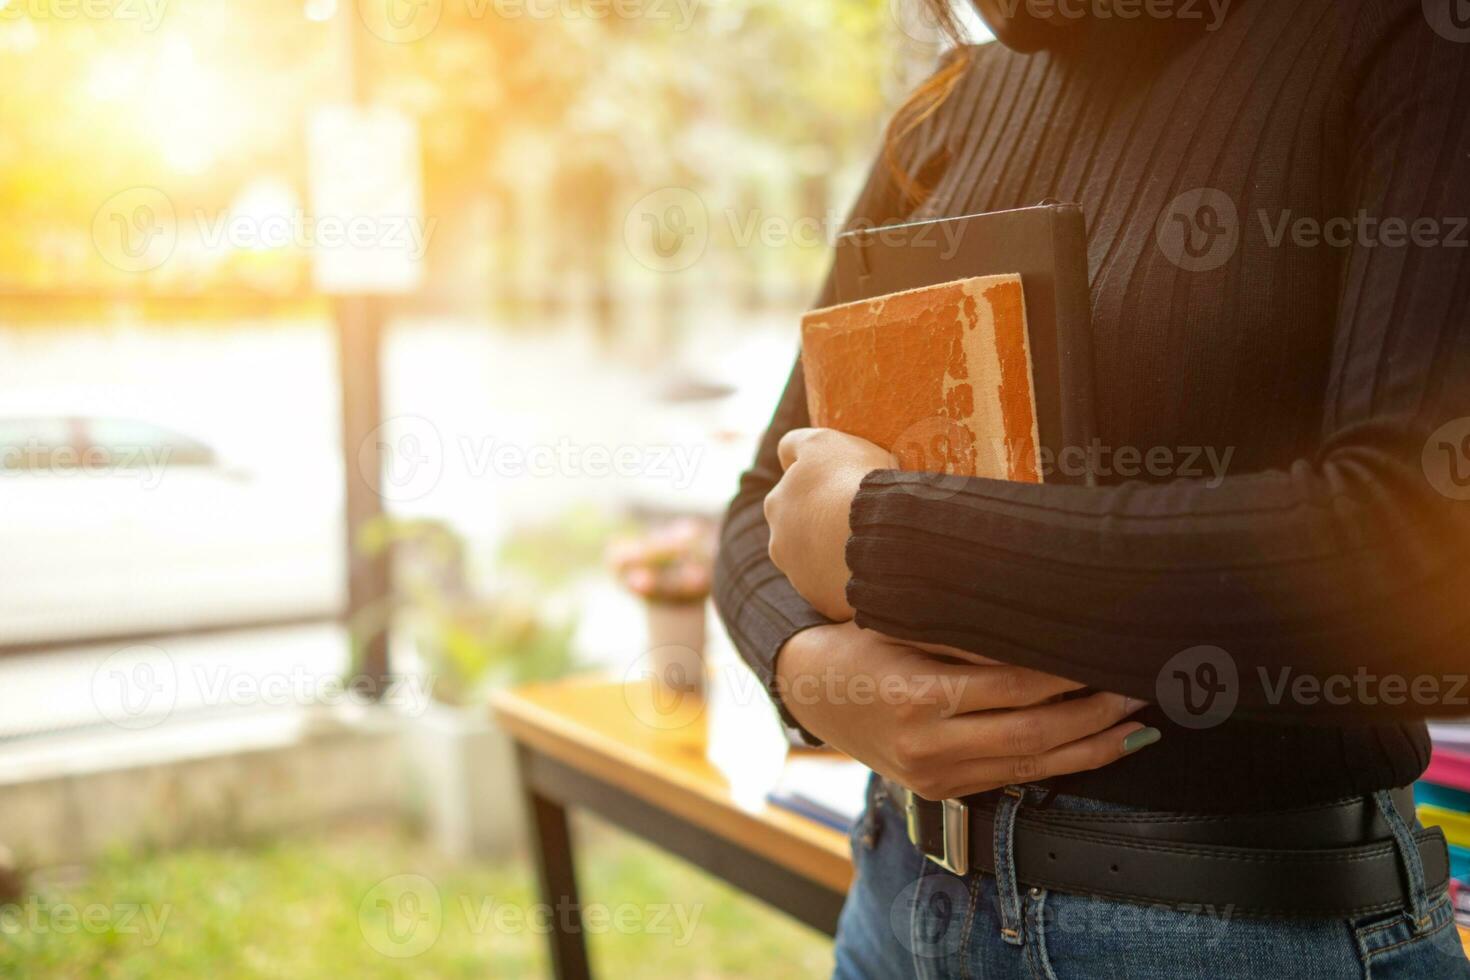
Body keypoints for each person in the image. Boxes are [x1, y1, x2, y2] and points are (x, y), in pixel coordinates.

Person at [712, 1, 1470, 976]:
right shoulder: (947, 109)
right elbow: (763, 498)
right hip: (900, 901)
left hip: (1228, 928)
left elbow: (1415, 550)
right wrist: (812, 674)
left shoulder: (1409, 41)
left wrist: (884, 535)